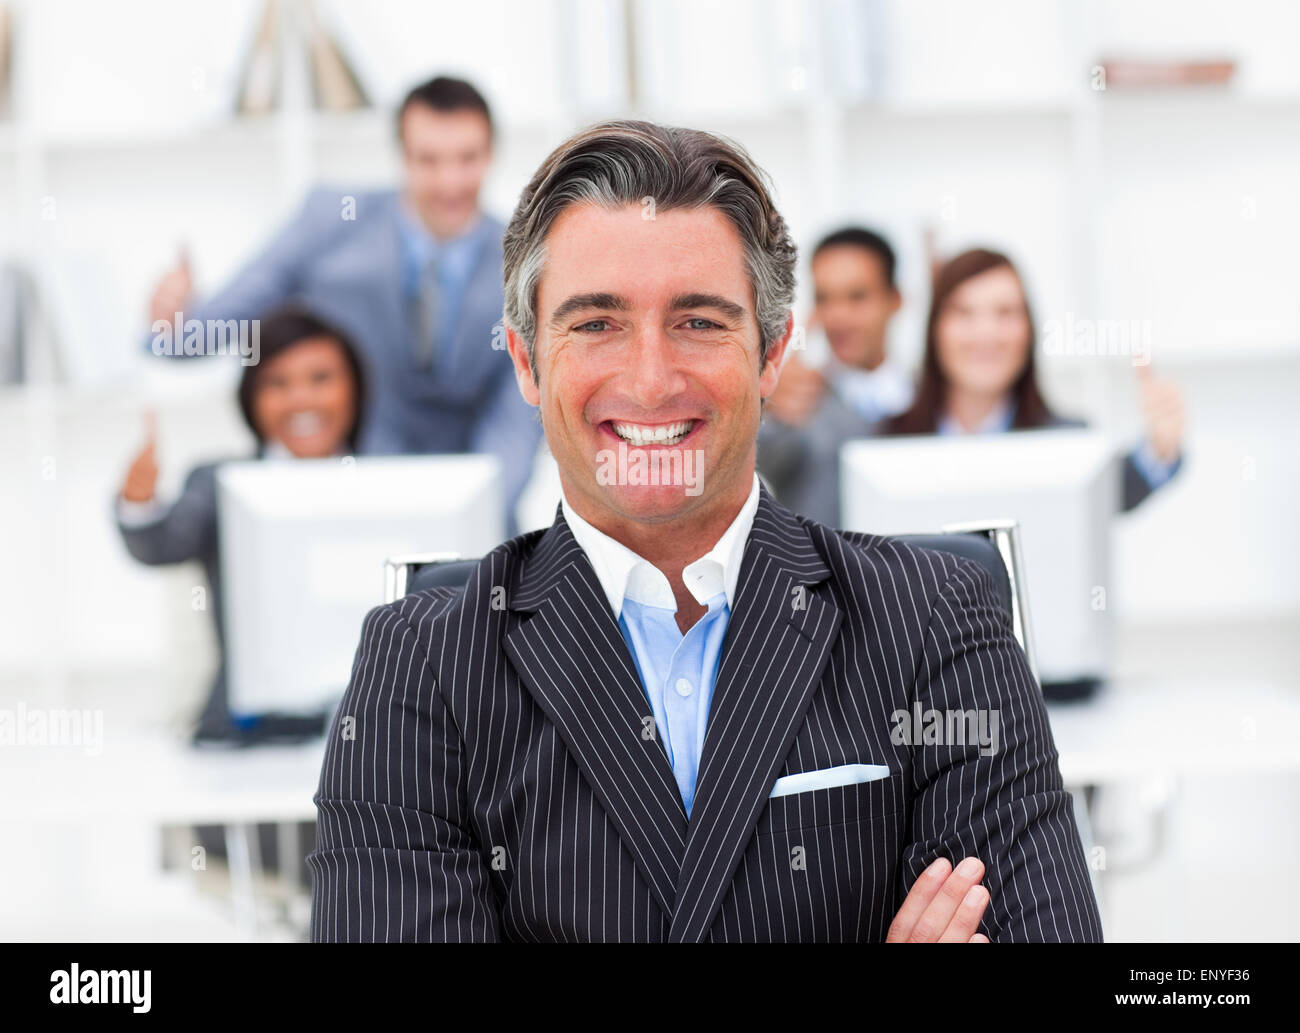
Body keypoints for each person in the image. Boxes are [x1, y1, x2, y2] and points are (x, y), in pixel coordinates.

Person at [307, 121, 1103, 942]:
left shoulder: (935, 618)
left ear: (770, 355)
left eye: (699, 322)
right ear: (526, 361)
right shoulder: (422, 663)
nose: (651, 379)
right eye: (595, 323)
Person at [147, 76, 541, 534]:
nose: (449, 181)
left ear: (491, 155)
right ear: (402, 156)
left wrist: (463, 519)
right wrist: (171, 323)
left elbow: (517, 419)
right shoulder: (331, 221)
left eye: (467, 159)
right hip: (334, 507)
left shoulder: (524, 262)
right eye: (428, 160)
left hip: (472, 524)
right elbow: (200, 334)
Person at [117, 306, 365, 744]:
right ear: (251, 397)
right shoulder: (221, 484)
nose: (302, 399)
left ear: (356, 389)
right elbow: (159, 545)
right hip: (243, 737)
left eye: (321, 379)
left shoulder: (393, 480)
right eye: (278, 383)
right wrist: (140, 499)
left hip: (373, 739)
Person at [882, 247, 1185, 511]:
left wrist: (1157, 449)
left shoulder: (1066, 441)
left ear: (1029, 331)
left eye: (1005, 313)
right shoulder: (885, 442)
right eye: (964, 312)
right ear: (935, 330)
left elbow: (1108, 496)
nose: (986, 333)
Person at [757, 226, 911, 524]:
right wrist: (766, 408)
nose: (838, 316)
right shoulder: (798, 403)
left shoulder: (927, 398)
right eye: (825, 298)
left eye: (857, 297)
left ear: (895, 300)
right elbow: (756, 467)